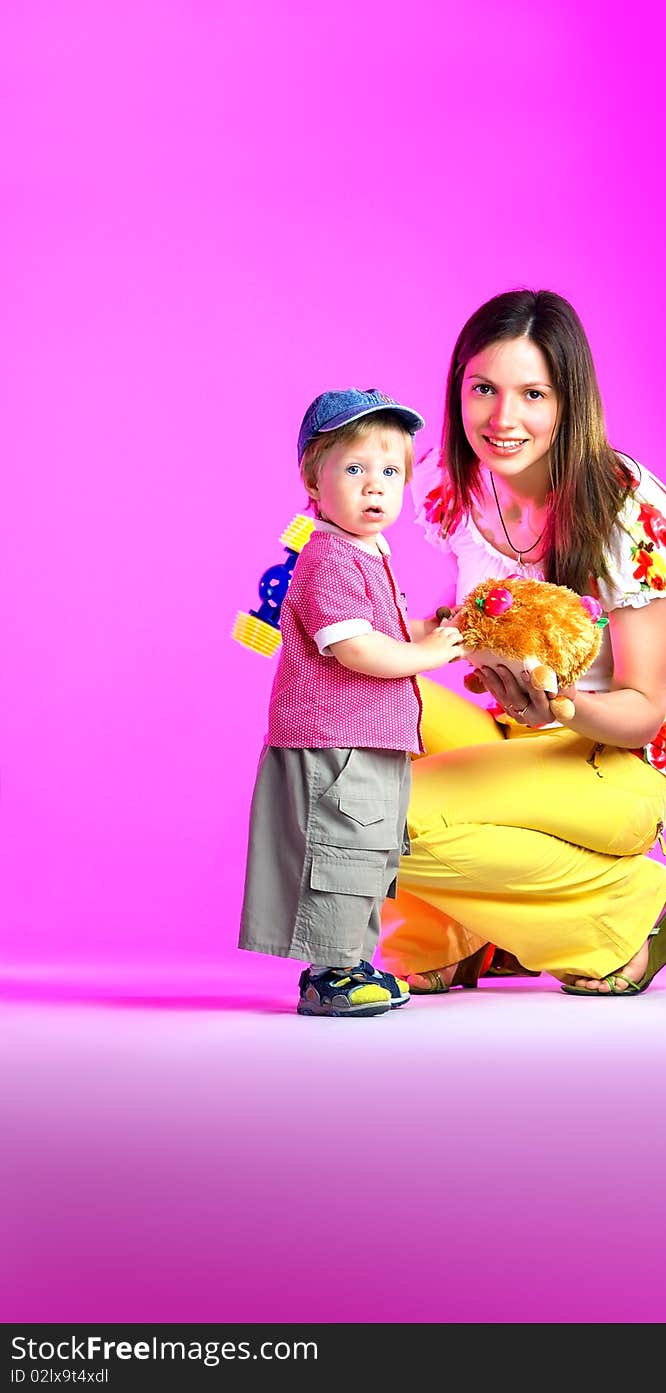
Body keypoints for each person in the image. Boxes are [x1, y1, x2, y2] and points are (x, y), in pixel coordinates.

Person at [378, 289, 666, 997]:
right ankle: (445, 938)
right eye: (484, 389)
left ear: (569, 401)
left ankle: (622, 912)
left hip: (615, 759)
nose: (502, 418)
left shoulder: (629, 513)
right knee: (347, 744)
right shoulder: (449, 482)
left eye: (532, 394)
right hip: (505, 730)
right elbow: (467, 620)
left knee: (380, 813)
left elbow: (646, 709)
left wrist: (559, 709)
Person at [238, 387, 467, 1017]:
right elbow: (358, 649)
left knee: (369, 854)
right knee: (337, 852)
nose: (375, 487)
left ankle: (352, 961)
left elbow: (384, 633)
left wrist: (427, 629)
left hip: (370, 738)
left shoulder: (368, 552)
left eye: (391, 472)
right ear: (314, 480)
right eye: (355, 469)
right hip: (334, 742)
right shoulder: (328, 556)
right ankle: (329, 973)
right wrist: (430, 656)